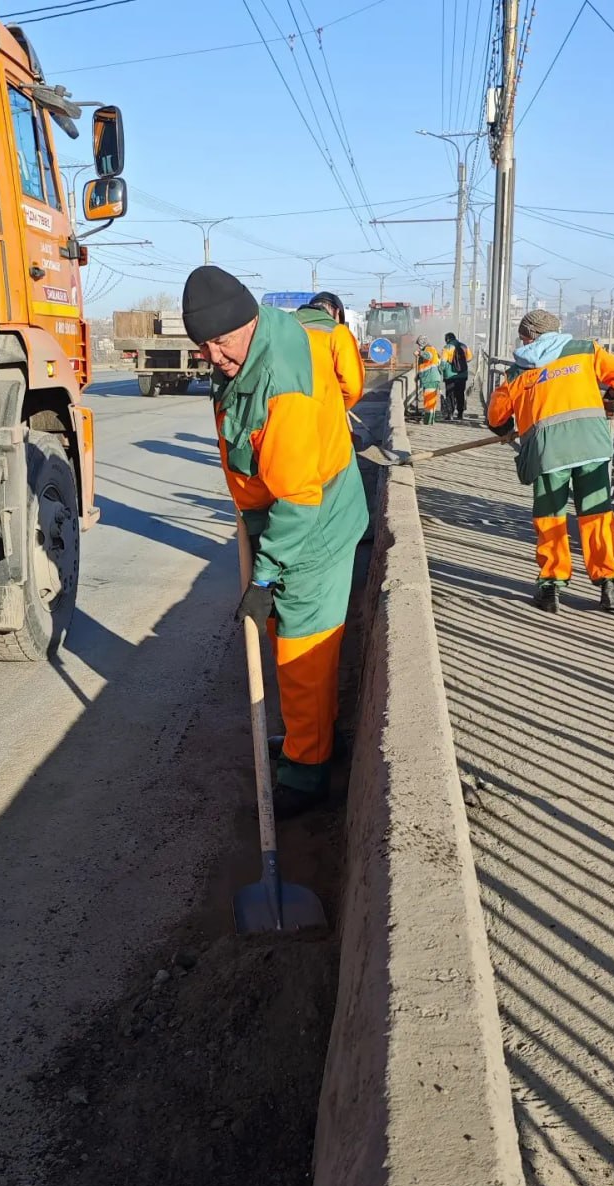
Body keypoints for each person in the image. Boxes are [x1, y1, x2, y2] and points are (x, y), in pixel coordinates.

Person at [182, 265, 367, 818]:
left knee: (301, 648)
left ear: (247, 322)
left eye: (221, 342)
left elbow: (299, 500)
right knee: (284, 633)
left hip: (313, 522)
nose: (214, 356)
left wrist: (265, 574)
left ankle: (307, 775)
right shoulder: (256, 342)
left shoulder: (283, 385)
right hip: (282, 514)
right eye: (203, 346)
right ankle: (308, 739)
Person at [486, 308, 614, 614]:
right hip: (591, 445)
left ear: (529, 336)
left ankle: (552, 587)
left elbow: (496, 416)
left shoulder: (518, 370)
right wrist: (609, 404)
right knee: (596, 514)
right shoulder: (586, 351)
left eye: (523, 336)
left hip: (548, 451)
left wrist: (506, 432)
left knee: (551, 516)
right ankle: (608, 584)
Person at [295, 291, 364, 412]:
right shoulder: (338, 332)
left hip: (277, 418)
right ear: (337, 313)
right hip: (322, 416)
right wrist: (338, 409)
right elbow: (353, 388)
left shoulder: (282, 325)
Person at [442, 331, 472, 421]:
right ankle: (460, 413)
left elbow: (443, 362)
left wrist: (440, 369)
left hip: (450, 376)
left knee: (450, 394)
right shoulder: (464, 346)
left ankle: (450, 414)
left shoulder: (447, 348)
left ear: (447, 339)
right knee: (460, 394)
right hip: (462, 374)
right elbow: (469, 358)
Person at [415, 336, 444, 424]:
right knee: (432, 400)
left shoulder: (429, 349)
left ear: (421, 343)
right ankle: (431, 420)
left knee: (429, 401)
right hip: (432, 378)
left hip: (430, 379)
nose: (418, 346)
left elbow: (428, 356)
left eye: (419, 344)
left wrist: (419, 353)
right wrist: (419, 376)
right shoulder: (433, 349)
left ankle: (427, 421)